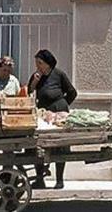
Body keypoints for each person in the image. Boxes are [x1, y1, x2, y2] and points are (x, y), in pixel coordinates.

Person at [28, 49, 77, 190]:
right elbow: (29, 92)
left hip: (58, 113)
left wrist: (63, 104)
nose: (37, 66)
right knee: (39, 145)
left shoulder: (59, 74)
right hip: (43, 114)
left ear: (48, 63)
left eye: (40, 63)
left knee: (60, 146)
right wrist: (34, 83)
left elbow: (72, 92)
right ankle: (39, 179)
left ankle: (59, 180)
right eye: (36, 63)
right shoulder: (36, 76)